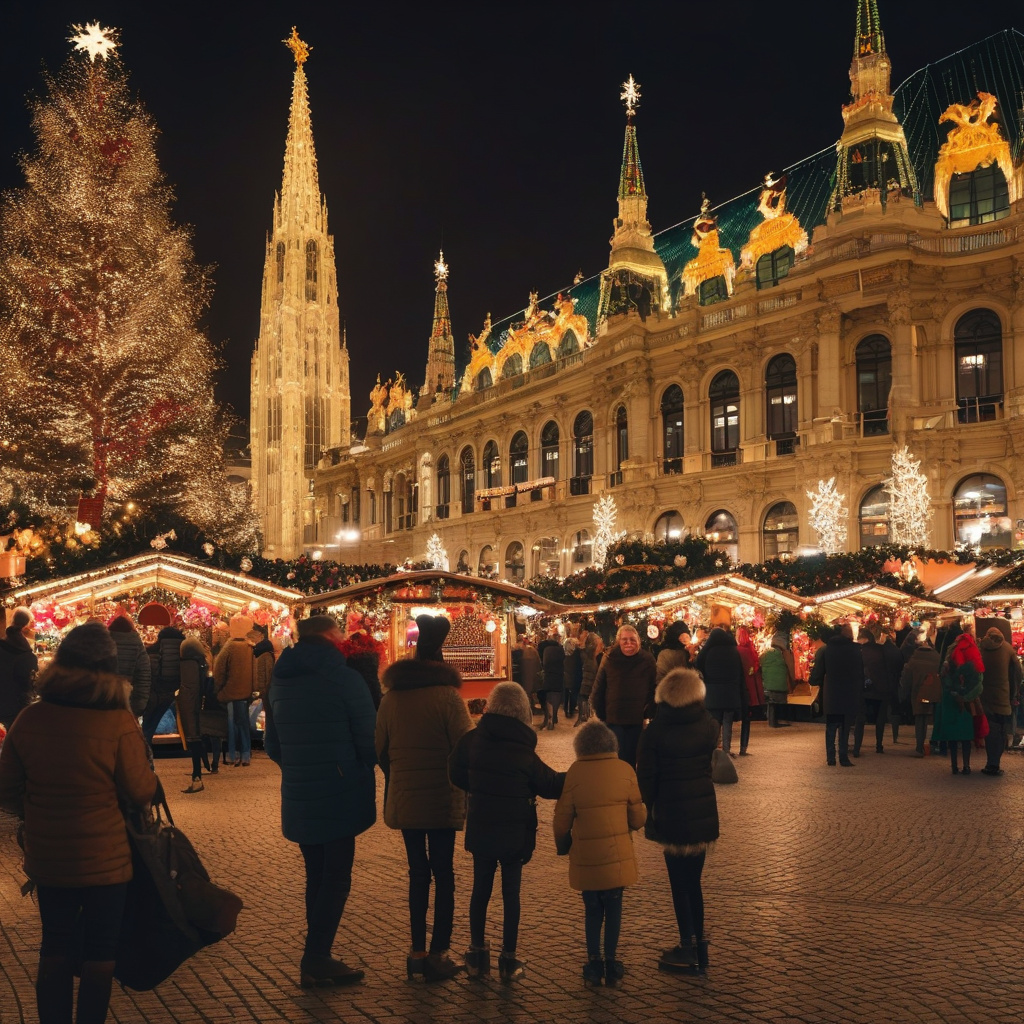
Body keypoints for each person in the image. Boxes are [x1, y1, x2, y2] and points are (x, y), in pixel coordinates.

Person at [0, 622, 157, 1024]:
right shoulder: (119, 723)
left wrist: (35, 812)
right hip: (107, 861)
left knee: (54, 945)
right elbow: (141, 792)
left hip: (50, 857)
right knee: (101, 952)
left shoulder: (30, 719)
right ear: (110, 669)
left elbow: (6, 788)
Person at [265, 615, 377, 987]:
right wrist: (354, 767)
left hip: (300, 790)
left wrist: (298, 767)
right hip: (340, 790)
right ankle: (316, 956)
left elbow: (272, 744)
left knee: (317, 874)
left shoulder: (280, 679)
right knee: (336, 877)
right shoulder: (346, 679)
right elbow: (369, 740)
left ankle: (318, 954)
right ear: (332, 637)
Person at [377, 614, 473, 982]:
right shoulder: (448, 698)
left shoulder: (392, 698)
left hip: (406, 798)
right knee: (443, 873)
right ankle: (438, 953)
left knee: (418, 873)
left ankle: (416, 952)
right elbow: (464, 746)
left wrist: (397, 775)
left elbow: (380, 748)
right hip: (442, 798)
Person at [448, 682, 564, 981]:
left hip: (482, 827)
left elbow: (455, 772)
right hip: (515, 834)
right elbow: (550, 784)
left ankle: (476, 954)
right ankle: (509, 959)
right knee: (511, 894)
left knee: (480, 890)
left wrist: (477, 787)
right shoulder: (523, 752)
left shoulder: (472, 741)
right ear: (522, 712)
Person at [636, 667, 719, 975]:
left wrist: (647, 808)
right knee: (693, 883)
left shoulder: (655, 731)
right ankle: (699, 945)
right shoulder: (709, 725)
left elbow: (646, 776)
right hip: (701, 812)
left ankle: (687, 946)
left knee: (678, 883)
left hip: (670, 811)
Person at [553, 720, 646, 988]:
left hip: (587, 857)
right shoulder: (625, 769)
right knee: (614, 909)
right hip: (616, 858)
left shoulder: (575, 772)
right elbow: (638, 817)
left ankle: (593, 963)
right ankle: (612, 962)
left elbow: (561, 821)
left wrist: (564, 846)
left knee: (592, 911)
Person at [591, 624, 656, 768]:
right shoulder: (609, 658)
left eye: (632, 640)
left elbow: (654, 688)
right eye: (625, 639)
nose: (629, 643)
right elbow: (599, 687)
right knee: (615, 757)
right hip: (614, 718)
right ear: (618, 641)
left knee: (632, 758)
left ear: (638, 641)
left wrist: (649, 711)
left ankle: (628, 785)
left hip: (636, 719)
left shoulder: (647, 660)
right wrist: (601, 713)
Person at [812, 624, 863, 767]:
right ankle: (843, 756)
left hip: (831, 691)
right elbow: (860, 672)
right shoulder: (855, 650)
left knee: (831, 725)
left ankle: (830, 757)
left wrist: (816, 682)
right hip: (849, 690)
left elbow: (817, 673)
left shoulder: (826, 649)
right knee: (845, 726)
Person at [935, 628, 984, 775]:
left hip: (951, 700)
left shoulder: (949, 659)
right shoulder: (974, 660)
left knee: (953, 736)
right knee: (966, 735)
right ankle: (967, 766)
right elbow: (979, 684)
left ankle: (954, 766)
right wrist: (967, 697)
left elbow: (945, 680)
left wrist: (954, 693)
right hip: (967, 702)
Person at [978, 625, 1022, 776]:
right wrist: (1015, 692)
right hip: (1003, 696)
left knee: (989, 730)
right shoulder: (1008, 648)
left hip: (984, 695)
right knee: (1001, 729)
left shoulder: (980, 648)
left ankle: (991, 762)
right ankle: (995, 763)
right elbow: (1017, 671)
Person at [213, 615, 255, 767]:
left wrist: (218, 690)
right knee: (243, 723)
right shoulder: (251, 647)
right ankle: (246, 755)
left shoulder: (229, 647)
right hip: (245, 693)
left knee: (232, 724)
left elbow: (219, 671)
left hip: (230, 692)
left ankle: (233, 755)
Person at [695, 627, 744, 758]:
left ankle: (715, 749)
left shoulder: (708, 651)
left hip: (713, 693)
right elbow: (739, 672)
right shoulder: (733, 651)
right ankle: (726, 750)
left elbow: (698, 663)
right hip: (730, 692)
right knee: (728, 722)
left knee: (715, 722)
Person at [141, 623, 185, 748]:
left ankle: (145, 754)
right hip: (170, 694)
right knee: (153, 723)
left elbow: (149, 674)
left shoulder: (151, 652)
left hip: (153, 694)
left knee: (147, 725)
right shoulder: (182, 653)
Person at [899, 629, 941, 759]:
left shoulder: (914, 659)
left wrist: (903, 694)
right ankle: (933, 745)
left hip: (918, 693)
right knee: (933, 719)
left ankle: (919, 746)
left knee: (920, 719)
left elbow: (906, 678)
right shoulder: (937, 656)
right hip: (934, 693)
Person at [179, 634, 213, 793]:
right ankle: (199, 772)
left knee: (193, 741)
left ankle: (197, 778)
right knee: (197, 741)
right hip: (199, 708)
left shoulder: (188, 664)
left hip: (191, 709)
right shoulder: (202, 663)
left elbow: (188, 690)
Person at [855, 626, 893, 755]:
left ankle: (857, 747)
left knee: (860, 719)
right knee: (880, 720)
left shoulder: (860, 652)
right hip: (881, 689)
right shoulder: (882, 650)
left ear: (864, 639)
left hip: (864, 689)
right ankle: (879, 745)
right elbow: (889, 669)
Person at [0, 607, 37, 729]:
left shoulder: (4, 645)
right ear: (26, 627)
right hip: (14, 709)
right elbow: (28, 686)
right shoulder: (27, 654)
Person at [106, 615, 150, 718]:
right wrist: (138, 707)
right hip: (128, 704)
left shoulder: (104, 644)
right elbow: (144, 678)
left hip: (106, 702)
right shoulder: (138, 646)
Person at [735, 626, 764, 756]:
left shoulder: (736, 651)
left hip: (738, 689)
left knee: (730, 718)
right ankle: (743, 747)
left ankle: (726, 746)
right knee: (746, 720)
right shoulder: (751, 651)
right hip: (750, 690)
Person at [760, 632, 794, 728]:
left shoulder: (765, 654)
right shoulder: (785, 654)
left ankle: (771, 720)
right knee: (780, 700)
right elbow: (791, 670)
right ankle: (781, 719)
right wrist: (793, 682)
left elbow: (759, 665)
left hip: (767, 686)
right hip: (781, 686)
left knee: (771, 702)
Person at [537, 627, 565, 729]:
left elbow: (544, 662)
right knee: (556, 696)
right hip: (558, 674)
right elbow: (563, 661)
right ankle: (554, 716)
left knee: (548, 697)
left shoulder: (544, 649)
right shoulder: (560, 649)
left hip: (548, 675)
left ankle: (549, 718)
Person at [576, 620, 603, 725]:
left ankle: (584, 716)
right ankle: (586, 715)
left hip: (588, 668)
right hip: (593, 666)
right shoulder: (597, 638)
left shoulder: (589, 639)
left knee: (583, 694)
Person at [517, 636, 542, 717]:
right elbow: (538, 664)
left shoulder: (524, 652)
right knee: (531, 692)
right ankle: (531, 708)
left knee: (527, 692)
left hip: (525, 677)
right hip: (533, 676)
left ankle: (528, 708)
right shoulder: (532, 651)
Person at [563, 626, 583, 721]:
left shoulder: (566, 643)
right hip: (573, 672)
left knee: (567, 691)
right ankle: (570, 710)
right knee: (573, 691)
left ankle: (566, 709)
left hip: (566, 671)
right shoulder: (576, 652)